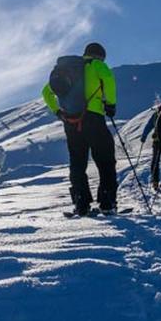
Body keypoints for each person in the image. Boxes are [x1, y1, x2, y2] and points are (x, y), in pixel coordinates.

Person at [41, 42, 118, 216]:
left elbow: (46, 92)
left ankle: (81, 204)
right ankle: (107, 203)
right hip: (93, 117)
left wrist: (58, 111)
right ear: (99, 55)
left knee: (77, 163)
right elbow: (108, 80)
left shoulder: (70, 69)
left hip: (71, 121)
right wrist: (111, 104)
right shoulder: (97, 65)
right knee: (105, 160)